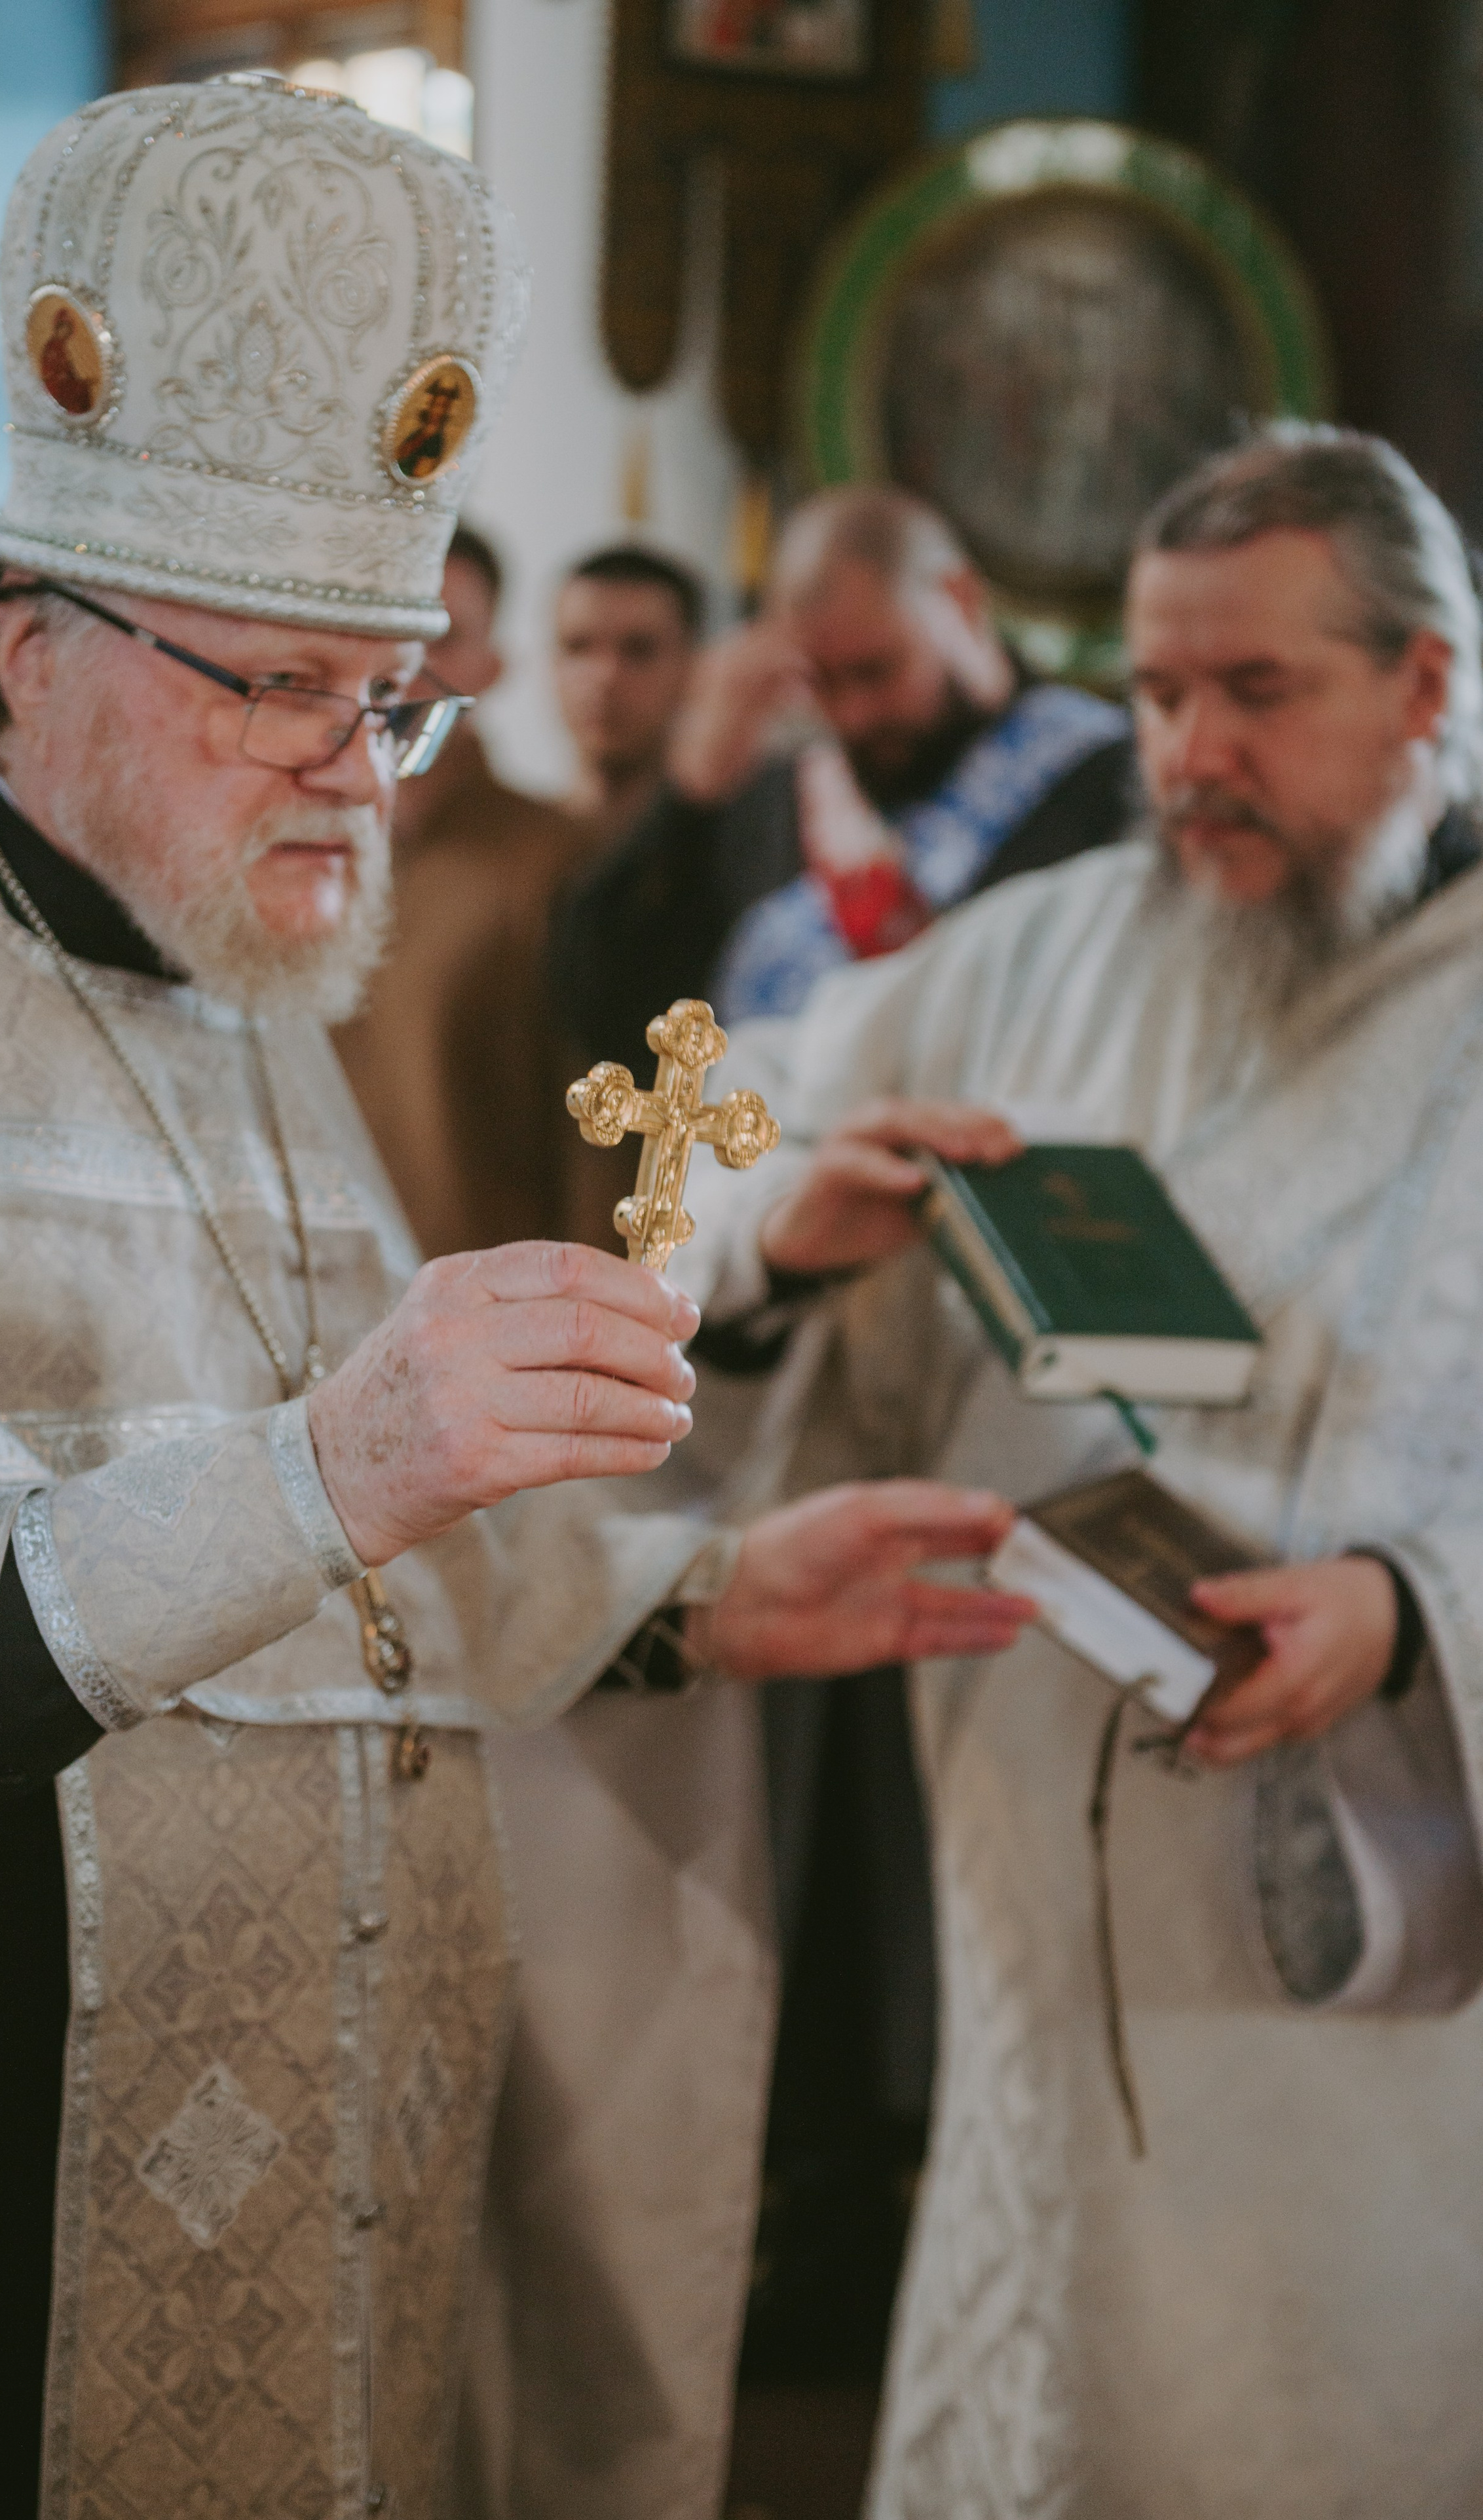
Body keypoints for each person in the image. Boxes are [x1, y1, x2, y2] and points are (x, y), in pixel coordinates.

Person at [0, 77, 1036, 2520]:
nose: (356, 775)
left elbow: (358, 1543)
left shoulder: (218, 928)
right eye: (277, 682)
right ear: (32, 640)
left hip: (310, 2132)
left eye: (392, 693)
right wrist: (331, 1458)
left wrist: (685, 1597)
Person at [675, 423, 1483, 2516]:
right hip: (1031, 1897)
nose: (1187, 750)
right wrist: (786, 1230)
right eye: (1151, 691)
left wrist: (1413, 1607)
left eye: (1254, 690)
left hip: (1377, 1985)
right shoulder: (1032, 947)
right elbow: (721, 1123)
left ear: (1422, 681)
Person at [555, 484, 1133, 1073]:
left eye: (876, 670)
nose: (853, 713)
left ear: (959, 600)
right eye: (822, 681)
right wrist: (688, 800)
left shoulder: (1107, 780)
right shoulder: (786, 789)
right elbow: (609, 1015)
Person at [330, 524, 603, 1257]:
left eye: (442, 637)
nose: (406, 666)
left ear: (492, 666)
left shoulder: (558, 860)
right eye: (388, 627)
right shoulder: (300, 844)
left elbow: (599, 1137)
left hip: (484, 1309)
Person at [552, 542, 705, 847]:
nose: (604, 676)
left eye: (639, 650)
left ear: (691, 667)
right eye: (578, 647)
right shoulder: (498, 849)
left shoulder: (739, 851)